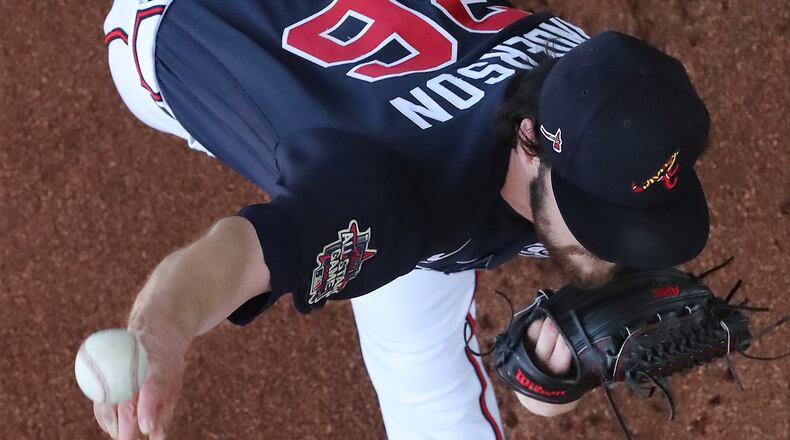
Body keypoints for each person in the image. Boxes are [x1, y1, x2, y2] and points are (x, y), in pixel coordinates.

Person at [94, 0, 711, 439]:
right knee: (421, 362)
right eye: (597, 216)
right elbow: (243, 254)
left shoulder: (578, 63)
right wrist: (164, 330)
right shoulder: (390, 203)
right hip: (168, 33)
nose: (624, 248)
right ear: (530, 141)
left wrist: (547, 376)